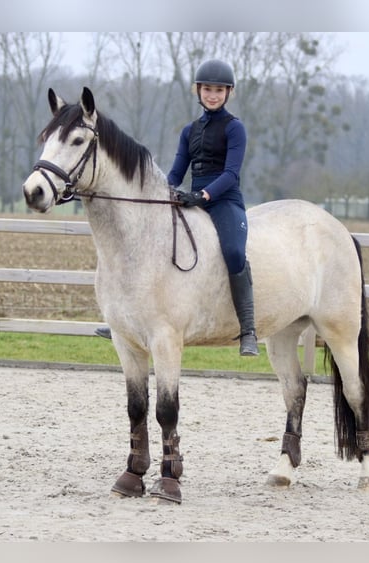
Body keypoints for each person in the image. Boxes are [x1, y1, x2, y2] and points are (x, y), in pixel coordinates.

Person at [95, 58, 258, 357]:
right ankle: (126, 321)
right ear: (198, 91)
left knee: (234, 252)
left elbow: (231, 174)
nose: (212, 95)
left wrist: (204, 196)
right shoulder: (189, 131)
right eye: (207, 89)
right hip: (193, 197)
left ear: (229, 92)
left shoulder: (235, 129)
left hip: (223, 200)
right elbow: (175, 172)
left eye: (219, 90)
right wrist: (163, 193)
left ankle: (248, 329)